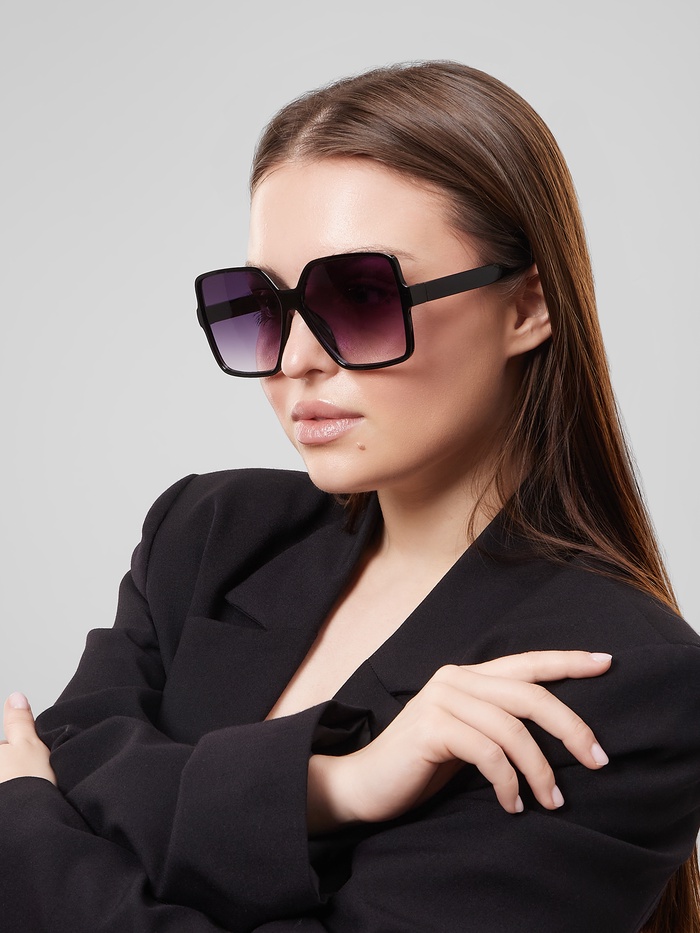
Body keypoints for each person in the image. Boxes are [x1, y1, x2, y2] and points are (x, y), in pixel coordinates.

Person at [0, 60, 698, 932]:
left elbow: (39, 792)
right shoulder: (207, 534)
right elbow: (73, 747)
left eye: (362, 296)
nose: (296, 359)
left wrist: (22, 825)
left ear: (526, 307)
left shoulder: (614, 677)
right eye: (262, 305)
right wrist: (335, 785)